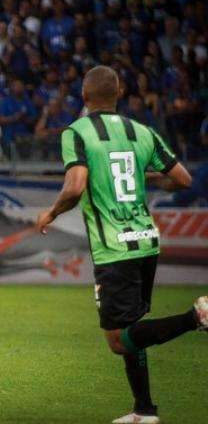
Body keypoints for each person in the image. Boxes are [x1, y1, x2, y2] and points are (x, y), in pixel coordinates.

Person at [35, 66, 207, 424]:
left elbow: (76, 185)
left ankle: (197, 317)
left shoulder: (77, 131)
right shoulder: (140, 130)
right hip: (146, 240)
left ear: (84, 97)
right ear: (120, 92)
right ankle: (144, 410)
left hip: (114, 247)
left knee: (117, 339)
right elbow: (182, 178)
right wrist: (145, 182)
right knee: (132, 330)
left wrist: (50, 213)